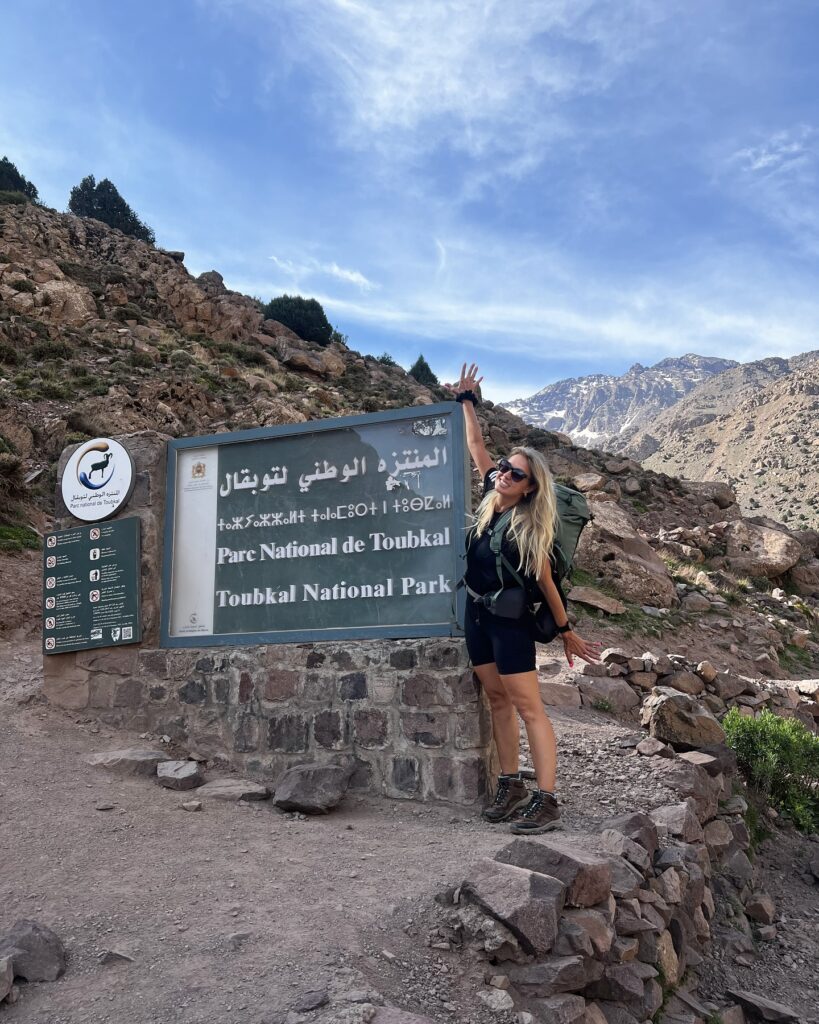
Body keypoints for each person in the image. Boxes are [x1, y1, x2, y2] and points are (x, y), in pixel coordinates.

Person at [449, 363, 601, 834]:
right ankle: (511, 784)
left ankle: (547, 799)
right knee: (497, 699)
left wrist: (566, 630)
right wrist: (467, 401)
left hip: (510, 623)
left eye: (515, 474)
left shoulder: (530, 528)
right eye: (504, 468)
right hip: (477, 614)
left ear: (530, 487)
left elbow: (547, 584)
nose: (504, 474)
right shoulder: (490, 497)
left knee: (529, 708)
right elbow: (476, 446)